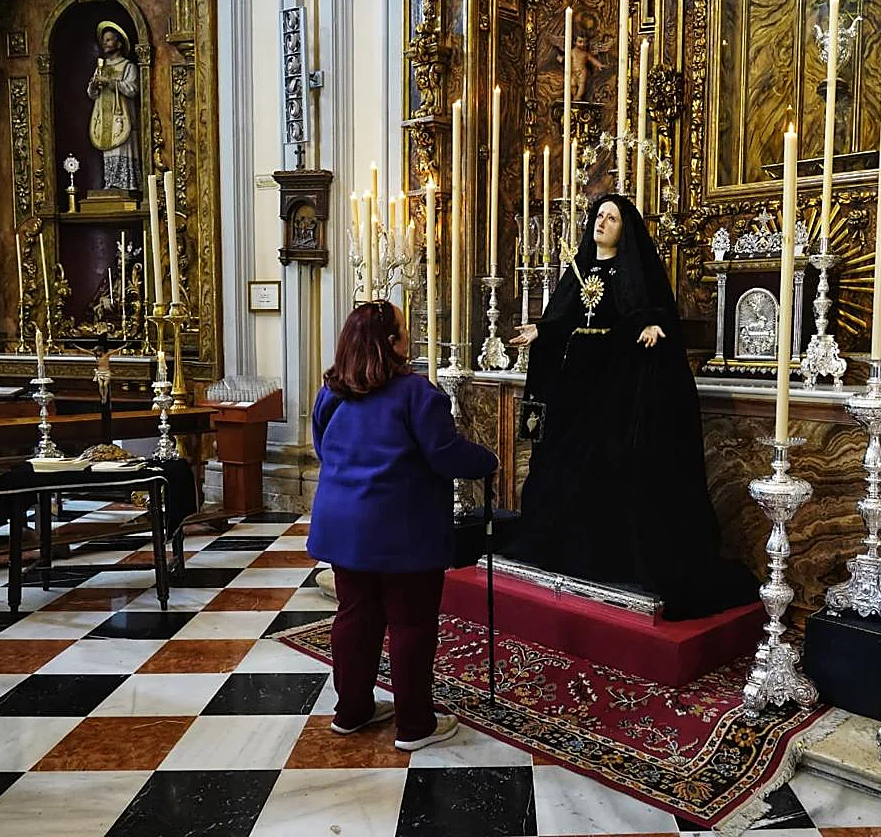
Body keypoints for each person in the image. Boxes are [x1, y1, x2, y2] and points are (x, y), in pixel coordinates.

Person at [509, 194, 759, 621]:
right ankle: (568, 550)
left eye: (611, 218)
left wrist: (651, 324)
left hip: (615, 393)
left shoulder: (633, 272)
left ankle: (611, 558)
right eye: (599, 216)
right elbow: (564, 319)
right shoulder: (577, 270)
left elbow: (649, 311)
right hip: (576, 392)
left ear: (625, 230)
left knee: (610, 471)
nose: (602, 222)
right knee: (566, 469)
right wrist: (542, 330)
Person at [307, 300, 498, 751]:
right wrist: (486, 460)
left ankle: (352, 711)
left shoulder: (331, 392)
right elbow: (444, 454)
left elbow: (322, 448)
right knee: (411, 622)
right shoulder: (416, 393)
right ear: (390, 343)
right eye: (403, 330)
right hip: (402, 531)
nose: (409, 337)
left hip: (344, 526)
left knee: (355, 615)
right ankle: (415, 725)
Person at [87, 22, 140, 190]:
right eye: (104, 40)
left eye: (109, 40)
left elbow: (132, 89)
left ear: (119, 43)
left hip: (121, 118)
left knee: (122, 149)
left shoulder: (128, 66)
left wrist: (110, 82)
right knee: (108, 152)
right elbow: (92, 94)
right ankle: (110, 183)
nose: (105, 43)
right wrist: (93, 86)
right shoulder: (100, 68)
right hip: (105, 119)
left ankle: (126, 185)